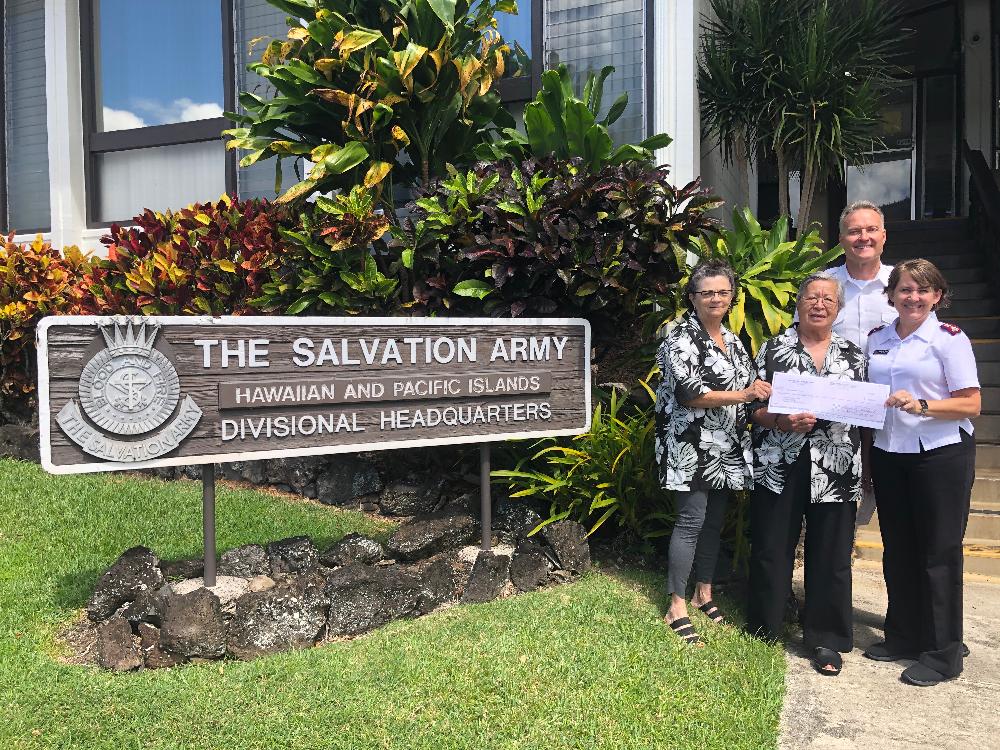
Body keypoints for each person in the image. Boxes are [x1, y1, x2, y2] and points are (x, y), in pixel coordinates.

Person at [864, 258, 980, 686]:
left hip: (940, 454)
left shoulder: (949, 340)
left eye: (922, 290)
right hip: (891, 453)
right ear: (891, 295)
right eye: (904, 289)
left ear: (937, 296)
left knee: (939, 553)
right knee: (899, 549)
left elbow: (971, 404)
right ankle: (904, 635)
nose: (912, 297)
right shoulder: (877, 338)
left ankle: (943, 652)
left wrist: (924, 405)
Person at [746, 272, 866, 676]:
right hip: (780, 461)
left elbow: (864, 413)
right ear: (798, 303)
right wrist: (782, 423)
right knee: (771, 544)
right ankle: (764, 627)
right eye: (812, 297)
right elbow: (754, 410)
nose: (819, 304)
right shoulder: (772, 349)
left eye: (828, 300)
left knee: (832, 554)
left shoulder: (854, 355)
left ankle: (826, 638)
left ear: (838, 309)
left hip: (836, 464)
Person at [655, 259, 771, 645]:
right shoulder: (678, 336)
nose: (716, 298)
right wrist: (745, 394)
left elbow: (750, 382)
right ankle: (676, 604)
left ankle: (704, 593)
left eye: (723, 292)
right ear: (692, 297)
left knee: (714, 520)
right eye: (707, 292)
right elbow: (690, 394)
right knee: (691, 521)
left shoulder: (734, 340)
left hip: (726, 448)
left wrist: (762, 390)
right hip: (690, 445)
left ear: (731, 296)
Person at [827, 200, 898, 349]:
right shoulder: (822, 285)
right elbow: (802, 337)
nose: (864, 237)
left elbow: (927, 340)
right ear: (841, 239)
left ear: (884, 236)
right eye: (854, 231)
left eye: (872, 229)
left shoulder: (905, 283)